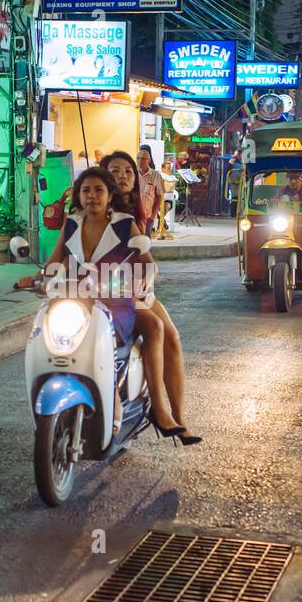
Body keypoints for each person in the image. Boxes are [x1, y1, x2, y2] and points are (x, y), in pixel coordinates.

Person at [33, 166, 194, 444]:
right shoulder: (71, 222)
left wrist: (142, 279)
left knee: (154, 326)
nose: (91, 196)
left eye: (98, 190)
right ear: (78, 195)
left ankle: (160, 407)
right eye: (85, 190)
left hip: (116, 298)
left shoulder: (123, 223)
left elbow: (146, 262)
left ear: (109, 195)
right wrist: (38, 279)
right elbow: (55, 262)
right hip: (77, 297)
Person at [101, 152, 200, 443]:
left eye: (128, 172)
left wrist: (143, 279)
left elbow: (146, 261)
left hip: (132, 290)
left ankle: (178, 418)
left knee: (173, 337)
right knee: (154, 328)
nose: (122, 176)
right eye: (115, 171)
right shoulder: (90, 208)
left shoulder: (130, 215)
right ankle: (159, 409)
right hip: (102, 293)